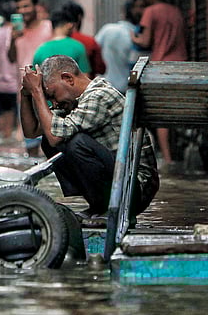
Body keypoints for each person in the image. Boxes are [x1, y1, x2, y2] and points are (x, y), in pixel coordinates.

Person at [20, 55, 158, 225]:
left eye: (53, 95)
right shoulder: (73, 102)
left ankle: (112, 209)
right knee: (50, 139)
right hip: (119, 182)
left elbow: (56, 136)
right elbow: (32, 131)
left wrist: (37, 92)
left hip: (136, 188)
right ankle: (99, 206)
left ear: (68, 79)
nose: (54, 104)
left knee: (75, 141)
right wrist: (26, 94)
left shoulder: (99, 95)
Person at [132, 0, 188, 166]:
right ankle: (179, 153)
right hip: (182, 65)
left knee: (162, 114)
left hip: (161, 67)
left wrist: (133, 37)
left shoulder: (151, 11)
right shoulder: (176, 11)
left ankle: (168, 158)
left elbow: (145, 41)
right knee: (178, 111)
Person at [8, 0, 53, 155]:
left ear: (36, 6)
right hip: (25, 91)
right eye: (19, 7)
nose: (22, 11)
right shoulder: (14, 31)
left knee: (51, 141)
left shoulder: (48, 27)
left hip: (48, 92)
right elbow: (11, 58)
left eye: (26, 6)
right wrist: (13, 38)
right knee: (30, 144)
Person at [94, 0, 147, 93]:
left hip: (104, 86)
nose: (141, 11)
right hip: (126, 90)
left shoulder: (107, 29)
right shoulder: (138, 38)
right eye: (139, 7)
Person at [0, 1, 21, 139]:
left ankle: (5, 139)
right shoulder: (19, 34)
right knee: (19, 122)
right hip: (17, 81)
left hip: (0, 81)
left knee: (5, 118)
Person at [32, 7, 91, 72]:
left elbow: (34, 75)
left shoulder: (41, 49)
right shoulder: (77, 47)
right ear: (70, 25)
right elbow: (85, 75)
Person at [61, 0, 106, 78]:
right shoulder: (89, 42)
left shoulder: (51, 42)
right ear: (79, 17)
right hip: (86, 87)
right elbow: (101, 68)